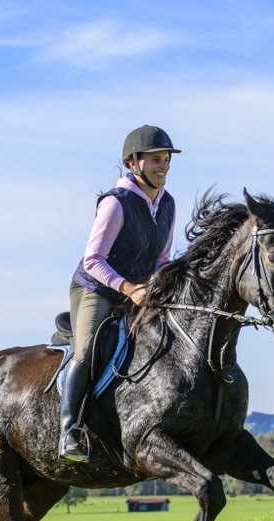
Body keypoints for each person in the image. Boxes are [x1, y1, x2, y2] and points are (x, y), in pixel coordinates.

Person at [59, 125, 181, 463]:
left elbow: (162, 260)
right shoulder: (116, 204)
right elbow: (93, 260)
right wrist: (128, 287)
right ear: (133, 163)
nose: (163, 166)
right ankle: (68, 431)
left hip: (139, 293)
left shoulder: (167, 204)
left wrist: (159, 289)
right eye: (156, 159)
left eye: (166, 159)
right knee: (86, 351)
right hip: (95, 289)